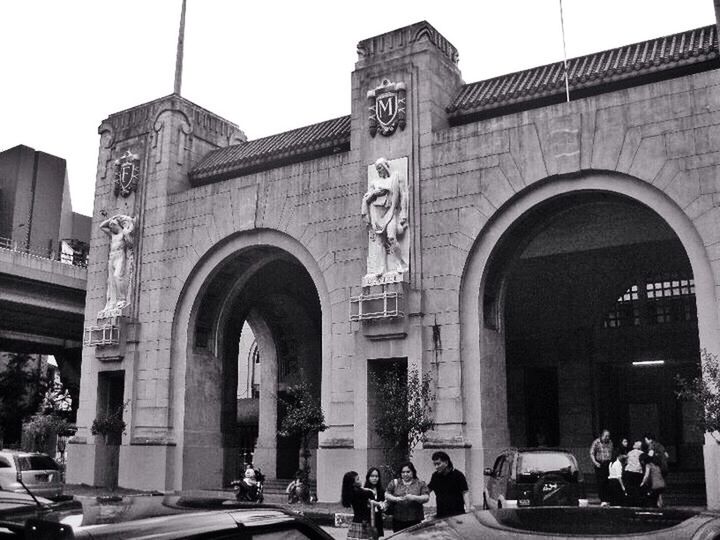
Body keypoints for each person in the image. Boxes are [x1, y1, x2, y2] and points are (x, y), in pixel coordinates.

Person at [361, 157, 409, 277]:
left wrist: (404, 213)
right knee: (379, 242)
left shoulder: (396, 177)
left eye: (380, 168)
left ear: (385, 166)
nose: (379, 171)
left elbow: (403, 194)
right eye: (377, 169)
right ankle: (382, 267)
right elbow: (367, 198)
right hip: (377, 214)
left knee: (392, 237)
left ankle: (400, 263)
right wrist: (374, 193)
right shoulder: (374, 183)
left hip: (391, 211)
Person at [100, 214, 135, 312]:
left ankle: (122, 299)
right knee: (111, 281)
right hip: (112, 258)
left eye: (113, 225)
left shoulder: (123, 234)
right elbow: (101, 226)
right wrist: (112, 218)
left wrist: (127, 233)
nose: (111, 227)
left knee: (117, 277)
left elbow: (131, 244)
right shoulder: (112, 235)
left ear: (118, 225)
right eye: (110, 226)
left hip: (120, 256)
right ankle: (112, 302)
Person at [385, 462, 429, 532]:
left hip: (415, 519)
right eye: (403, 472)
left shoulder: (420, 483)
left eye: (408, 472)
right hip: (398, 519)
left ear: (413, 472)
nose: (405, 474)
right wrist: (396, 499)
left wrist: (414, 497)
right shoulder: (395, 482)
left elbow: (426, 497)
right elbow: (387, 494)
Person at [428, 451, 470, 518]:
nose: (436, 467)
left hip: (457, 514)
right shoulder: (435, 476)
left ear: (446, 462)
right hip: (441, 514)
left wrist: (468, 510)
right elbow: (428, 490)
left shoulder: (458, 475)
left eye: (438, 464)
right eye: (434, 464)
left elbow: (465, 492)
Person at [342, 470, 382, 540]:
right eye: (357, 479)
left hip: (355, 522)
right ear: (353, 483)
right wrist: (370, 490)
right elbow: (371, 494)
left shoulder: (350, 493)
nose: (360, 481)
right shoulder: (361, 493)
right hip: (364, 523)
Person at [590, 429, 614, 505]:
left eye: (608, 436)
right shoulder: (596, 442)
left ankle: (608, 498)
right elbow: (592, 453)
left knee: (608, 481)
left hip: (608, 463)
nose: (607, 437)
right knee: (601, 482)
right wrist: (595, 462)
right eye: (606, 436)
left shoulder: (610, 442)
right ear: (602, 435)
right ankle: (602, 498)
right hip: (600, 463)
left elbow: (612, 452)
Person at [364, 467, 385, 539]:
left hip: (378, 519)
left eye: (376, 476)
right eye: (372, 476)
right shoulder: (364, 490)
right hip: (367, 519)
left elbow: (383, 504)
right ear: (368, 477)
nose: (374, 478)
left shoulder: (381, 490)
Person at [623, 440, 646, 506]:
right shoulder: (642, 453)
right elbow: (643, 463)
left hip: (629, 471)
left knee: (630, 487)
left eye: (636, 444)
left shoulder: (629, 453)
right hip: (638, 472)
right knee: (637, 487)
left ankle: (630, 501)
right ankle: (637, 502)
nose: (634, 444)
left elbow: (626, 462)